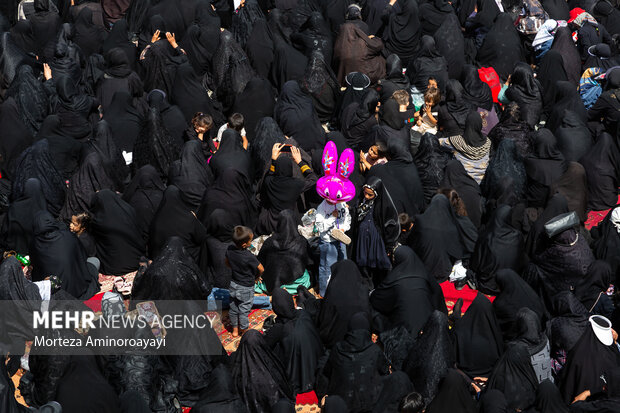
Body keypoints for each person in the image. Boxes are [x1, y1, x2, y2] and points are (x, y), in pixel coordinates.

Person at [225, 225, 264, 337]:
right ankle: (244, 330)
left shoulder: (230, 249)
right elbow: (261, 268)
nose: (251, 243)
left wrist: (234, 267)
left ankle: (235, 331)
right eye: (250, 241)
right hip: (246, 287)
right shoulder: (248, 256)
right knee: (244, 309)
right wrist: (257, 277)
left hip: (233, 284)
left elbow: (226, 263)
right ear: (244, 244)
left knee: (233, 308)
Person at [315, 187, 352, 297]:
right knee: (327, 268)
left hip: (340, 240)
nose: (332, 201)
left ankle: (340, 290)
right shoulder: (321, 207)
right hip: (328, 242)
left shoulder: (342, 203)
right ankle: (325, 293)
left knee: (342, 266)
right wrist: (332, 217)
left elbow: (347, 219)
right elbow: (321, 228)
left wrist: (343, 229)